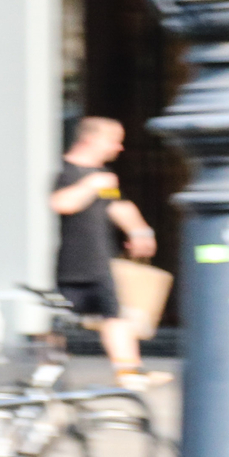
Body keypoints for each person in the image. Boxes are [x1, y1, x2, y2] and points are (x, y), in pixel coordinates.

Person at [51, 115, 163, 385]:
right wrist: (90, 186)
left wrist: (140, 231)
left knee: (115, 316)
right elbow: (61, 203)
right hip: (75, 263)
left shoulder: (103, 178)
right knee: (63, 322)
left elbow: (118, 207)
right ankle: (48, 375)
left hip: (100, 260)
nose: (119, 148)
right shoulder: (68, 173)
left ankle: (129, 372)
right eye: (114, 141)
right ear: (91, 139)